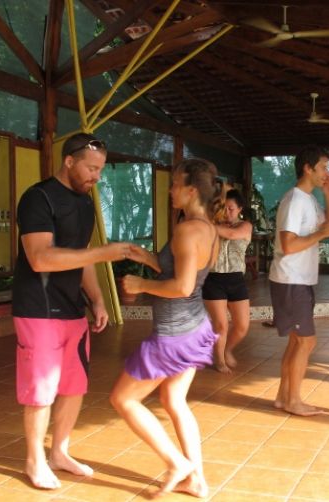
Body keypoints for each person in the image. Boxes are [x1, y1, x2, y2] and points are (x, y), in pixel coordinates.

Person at [12, 133, 131, 489]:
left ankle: (59, 452)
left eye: (100, 170)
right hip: (38, 309)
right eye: (91, 168)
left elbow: (82, 257)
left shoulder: (84, 204)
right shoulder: (38, 198)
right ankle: (35, 461)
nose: (97, 176)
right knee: (41, 389)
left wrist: (96, 299)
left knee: (74, 386)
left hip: (72, 310)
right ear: (69, 161)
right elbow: (40, 257)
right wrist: (102, 253)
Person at [109, 158, 220, 498]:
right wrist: (149, 259)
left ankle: (177, 464)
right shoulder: (207, 228)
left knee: (123, 399)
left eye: (173, 184)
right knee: (174, 399)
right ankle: (197, 479)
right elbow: (186, 273)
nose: (169, 189)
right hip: (195, 327)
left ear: (190, 190)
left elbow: (182, 287)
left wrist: (141, 284)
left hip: (174, 335)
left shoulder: (187, 230)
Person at [269, 146, 329, 416]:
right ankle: (293, 401)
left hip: (300, 280)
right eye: (323, 167)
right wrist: (318, 236)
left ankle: (283, 397)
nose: (327, 173)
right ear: (308, 168)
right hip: (291, 279)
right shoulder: (295, 200)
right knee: (305, 342)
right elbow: (288, 245)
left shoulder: (310, 200)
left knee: (298, 341)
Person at [203, 189, 253, 373]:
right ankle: (220, 360)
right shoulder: (213, 225)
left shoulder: (245, 226)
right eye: (224, 208)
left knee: (242, 326)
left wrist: (207, 225)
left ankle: (226, 349)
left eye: (231, 208)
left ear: (240, 208)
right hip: (213, 279)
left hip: (236, 279)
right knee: (221, 325)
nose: (227, 212)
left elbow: (232, 235)